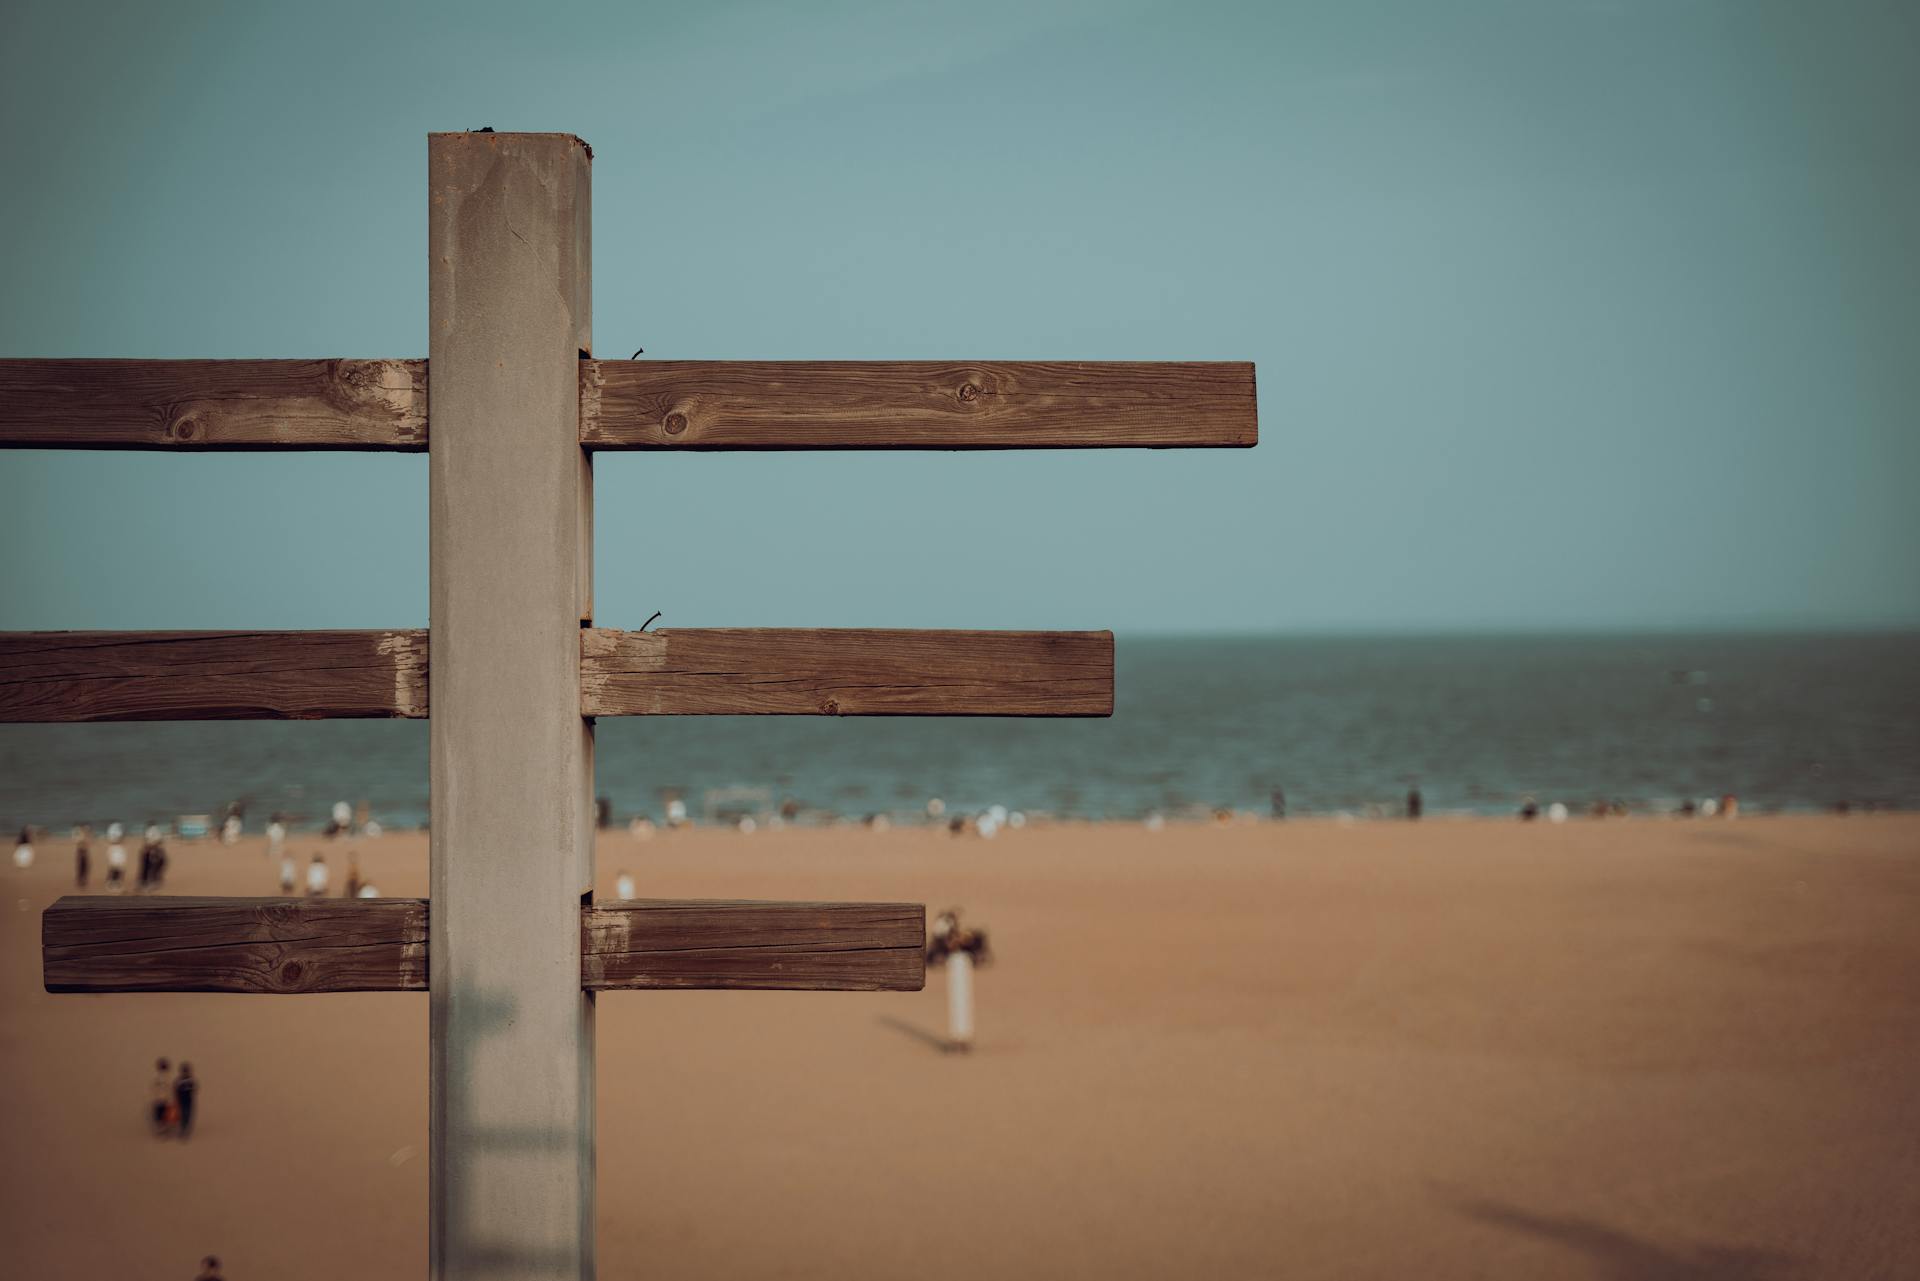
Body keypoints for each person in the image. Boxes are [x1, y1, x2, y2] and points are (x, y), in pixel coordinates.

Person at [149, 1058, 174, 1136]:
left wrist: (153, 1098)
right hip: (164, 1100)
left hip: (157, 1100)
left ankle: (159, 1130)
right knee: (164, 1116)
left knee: (158, 1115)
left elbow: (152, 1088)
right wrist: (171, 1099)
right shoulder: (168, 1077)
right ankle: (164, 1130)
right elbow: (169, 1090)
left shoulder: (155, 1076)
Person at [173, 1063, 198, 1140]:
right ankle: (183, 1130)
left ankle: (185, 1131)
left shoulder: (189, 1080)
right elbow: (176, 1090)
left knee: (187, 1115)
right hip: (183, 1101)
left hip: (188, 1101)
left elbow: (194, 1089)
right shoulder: (180, 1081)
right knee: (183, 1115)